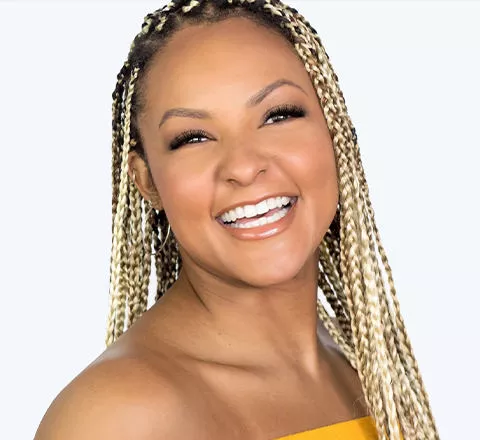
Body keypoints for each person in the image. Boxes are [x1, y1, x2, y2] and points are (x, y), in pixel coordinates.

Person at [34, 0, 440, 439]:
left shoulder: (368, 371)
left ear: (334, 128)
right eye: (193, 138)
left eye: (278, 115)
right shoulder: (116, 417)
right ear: (147, 180)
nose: (244, 167)